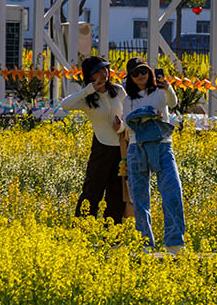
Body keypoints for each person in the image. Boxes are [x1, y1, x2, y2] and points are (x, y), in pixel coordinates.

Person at [122, 57, 185, 253]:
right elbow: (126, 123)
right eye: (135, 74)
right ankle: (144, 244)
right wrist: (148, 115)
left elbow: (172, 103)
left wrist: (168, 87)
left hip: (162, 146)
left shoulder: (160, 91)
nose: (140, 76)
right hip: (137, 147)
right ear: (130, 78)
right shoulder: (128, 99)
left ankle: (174, 242)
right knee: (139, 198)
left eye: (143, 71)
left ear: (149, 72)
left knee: (172, 191)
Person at [60, 56, 127, 225]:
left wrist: (122, 127)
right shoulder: (87, 99)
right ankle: (82, 229)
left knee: (116, 193)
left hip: (121, 147)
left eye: (105, 69)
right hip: (101, 147)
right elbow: (65, 105)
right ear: (90, 76)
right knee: (92, 191)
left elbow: (128, 114)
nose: (103, 74)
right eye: (97, 71)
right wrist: (88, 90)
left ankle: (112, 234)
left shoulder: (118, 90)